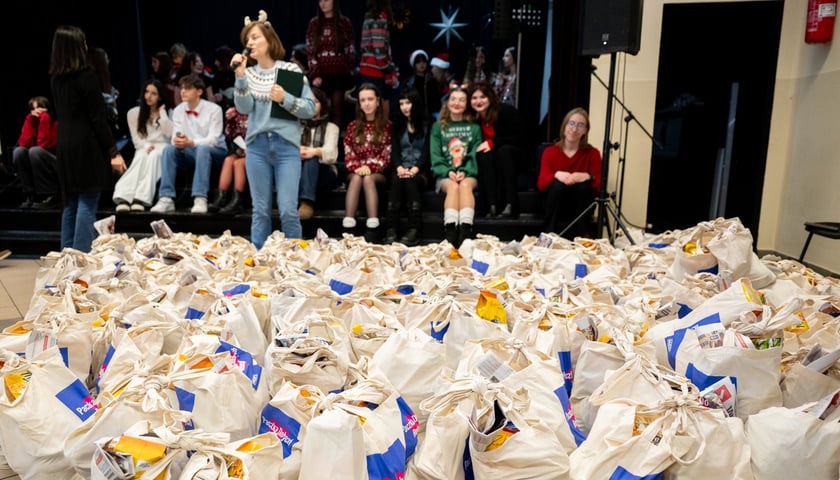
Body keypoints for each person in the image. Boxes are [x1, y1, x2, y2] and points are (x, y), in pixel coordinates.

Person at [232, 9, 317, 249]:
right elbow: (244, 107)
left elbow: (310, 109)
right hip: (257, 147)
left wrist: (286, 99)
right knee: (260, 210)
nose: (250, 42)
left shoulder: (290, 71)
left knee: (289, 209)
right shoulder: (246, 73)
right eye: (247, 39)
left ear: (269, 40)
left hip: (285, 146)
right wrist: (239, 76)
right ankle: (260, 260)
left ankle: (294, 259)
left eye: (255, 37)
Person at [49, 25, 127, 252]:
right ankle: (80, 257)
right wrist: (113, 151)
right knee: (87, 201)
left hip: (64, 143)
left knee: (71, 202)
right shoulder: (86, 77)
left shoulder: (56, 79)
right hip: (87, 144)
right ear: (76, 47)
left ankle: (66, 258)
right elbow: (98, 119)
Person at [150, 74, 227, 214]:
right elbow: (176, 135)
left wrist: (192, 142)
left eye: (188, 88)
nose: (182, 91)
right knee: (169, 149)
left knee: (203, 149)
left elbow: (213, 139)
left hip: (215, 152)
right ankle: (166, 198)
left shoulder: (214, 109)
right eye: (182, 88)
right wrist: (179, 141)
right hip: (191, 151)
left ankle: (200, 198)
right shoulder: (179, 110)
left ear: (199, 92)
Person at [537, 107, 602, 239]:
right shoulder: (550, 152)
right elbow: (541, 184)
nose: (574, 129)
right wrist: (556, 175)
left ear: (585, 131)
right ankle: (549, 234)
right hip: (555, 204)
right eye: (571, 123)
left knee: (583, 186)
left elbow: (599, 186)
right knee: (557, 185)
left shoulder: (592, 153)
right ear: (564, 126)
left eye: (580, 125)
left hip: (580, 206)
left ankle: (583, 234)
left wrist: (588, 176)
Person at [429, 85, 481, 247]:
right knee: (453, 187)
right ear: (447, 102)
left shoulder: (475, 128)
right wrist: (448, 171)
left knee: (464, 185)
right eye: (453, 99)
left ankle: (465, 233)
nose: (457, 103)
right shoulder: (438, 127)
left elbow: (474, 154)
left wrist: (464, 171)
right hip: (445, 175)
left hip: (468, 173)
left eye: (461, 100)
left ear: (467, 104)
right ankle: (451, 234)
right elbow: (435, 154)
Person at [112, 79, 172, 212]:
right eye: (147, 92)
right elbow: (136, 138)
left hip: (163, 146)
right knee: (141, 157)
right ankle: (124, 195)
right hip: (143, 146)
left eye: (154, 93)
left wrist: (162, 114)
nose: (148, 96)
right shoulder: (133, 113)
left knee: (154, 156)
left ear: (160, 96)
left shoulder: (168, 112)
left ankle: (141, 198)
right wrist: (146, 146)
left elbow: (169, 134)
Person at [343, 83, 391, 243]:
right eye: (363, 100)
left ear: (378, 101)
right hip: (355, 172)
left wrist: (369, 168)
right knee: (357, 178)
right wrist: (359, 168)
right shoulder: (352, 127)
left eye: (370, 99)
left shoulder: (387, 126)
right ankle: (348, 226)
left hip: (379, 173)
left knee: (368, 178)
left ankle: (373, 227)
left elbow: (387, 155)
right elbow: (348, 153)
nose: (367, 103)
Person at [468, 81, 524, 218]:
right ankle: (491, 205)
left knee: (503, 151)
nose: (478, 101)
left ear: (490, 97)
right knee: (483, 154)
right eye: (474, 98)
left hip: (515, 155)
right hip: (493, 158)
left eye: (482, 97)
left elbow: (520, 138)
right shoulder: (474, 120)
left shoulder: (505, 111)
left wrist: (493, 143)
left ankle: (511, 204)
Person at [383, 87, 429, 246]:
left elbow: (426, 151)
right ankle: (391, 229)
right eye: (402, 103)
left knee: (411, 181)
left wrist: (416, 168)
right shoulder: (397, 124)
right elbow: (395, 149)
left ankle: (414, 229)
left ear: (414, 103)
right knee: (396, 180)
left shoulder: (427, 124)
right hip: (400, 168)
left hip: (420, 171)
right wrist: (399, 167)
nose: (405, 107)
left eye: (408, 102)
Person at [306, 0, 356, 129]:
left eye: (327, 0)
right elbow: (310, 51)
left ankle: (335, 141)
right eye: (320, 0)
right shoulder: (314, 23)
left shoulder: (344, 23)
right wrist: (315, 73)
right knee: (321, 108)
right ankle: (320, 139)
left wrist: (349, 69)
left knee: (337, 108)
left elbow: (350, 48)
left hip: (339, 74)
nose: (323, 3)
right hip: (321, 75)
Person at [298, 87, 339, 221]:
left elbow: (331, 154)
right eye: (307, 102)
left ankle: (306, 203)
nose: (311, 106)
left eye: (315, 102)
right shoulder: (296, 126)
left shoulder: (331, 128)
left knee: (312, 159)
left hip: (324, 172)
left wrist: (314, 151)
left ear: (322, 104)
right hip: (299, 170)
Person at [13, 95, 59, 209]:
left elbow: (45, 145)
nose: (36, 112)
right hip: (36, 163)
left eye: (40, 108)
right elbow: (24, 143)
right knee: (18, 152)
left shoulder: (55, 124)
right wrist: (29, 121)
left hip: (55, 163)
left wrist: (44, 119)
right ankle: (30, 194)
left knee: (36, 151)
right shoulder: (32, 122)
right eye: (33, 109)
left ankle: (49, 195)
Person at [359, 0, 397, 120]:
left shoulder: (369, 17)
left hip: (367, 68)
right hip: (376, 70)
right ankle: (383, 135)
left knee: (370, 107)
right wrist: (389, 70)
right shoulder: (379, 18)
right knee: (380, 106)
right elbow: (379, 49)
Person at [208, 106, 249, 215]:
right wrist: (230, 121)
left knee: (238, 163)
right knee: (228, 160)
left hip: (259, 151)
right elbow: (231, 135)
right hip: (242, 149)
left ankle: (237, 201)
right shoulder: (236, 114)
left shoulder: (259, 112)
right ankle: (221, 198)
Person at [401, 49, 438, 123]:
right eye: (418, 62)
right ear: (414, 64)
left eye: (424, 61)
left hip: (432, 116)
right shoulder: (409, 82)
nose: (422, 64)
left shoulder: (432, 80)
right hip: (415, 117)